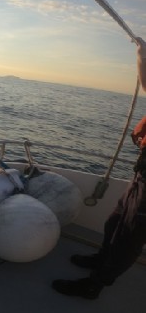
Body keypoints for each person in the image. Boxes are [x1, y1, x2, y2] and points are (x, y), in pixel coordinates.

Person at [52, 36, 146, 299]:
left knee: (129, 237)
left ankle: (95, 284)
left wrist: (141, 55)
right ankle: (102, 259)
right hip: (143, 173)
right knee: (115, 220)